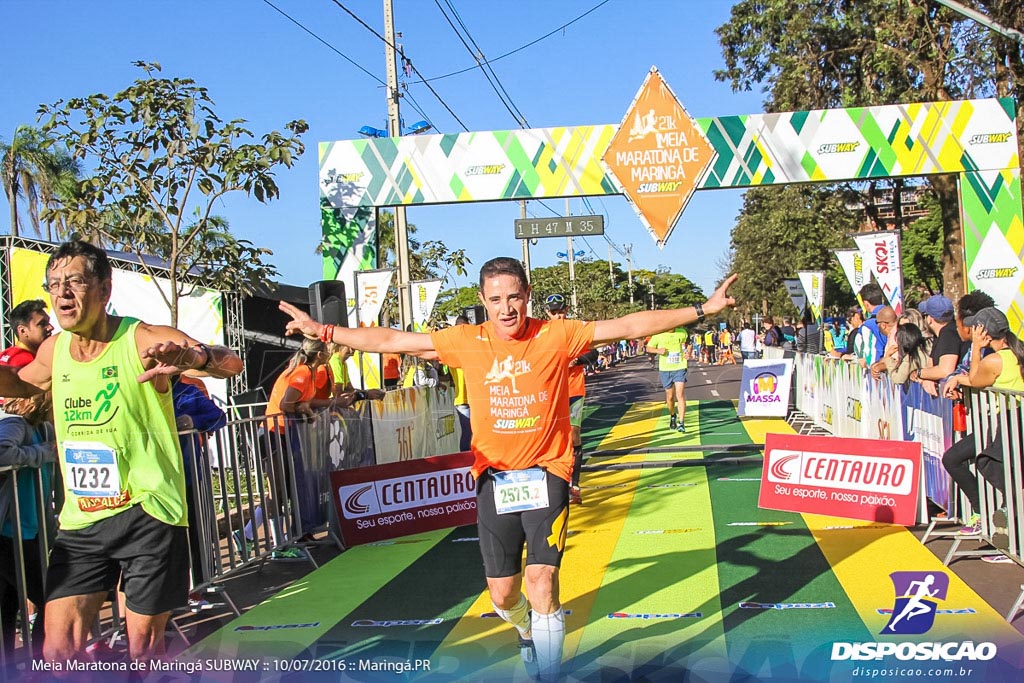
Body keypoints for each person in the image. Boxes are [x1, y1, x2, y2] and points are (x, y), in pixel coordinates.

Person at [280, 257, 738, 682]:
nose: (506, 308)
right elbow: (393, 340)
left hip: (549, 471)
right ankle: (524, 631)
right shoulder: (467, 341)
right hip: (493, 479)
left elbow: (628, 325)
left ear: (528, 295)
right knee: (503, 594)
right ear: (483, 301)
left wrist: (703, 308)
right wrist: (325, 331)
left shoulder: (556, 335)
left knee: (542, 580)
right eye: (495, 299)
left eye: (513, 297)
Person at [0, 240, 242, 665]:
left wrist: (193, 355)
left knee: (141, 654)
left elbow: (231, 363)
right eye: (54, 284)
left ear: (104, 289)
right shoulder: (54, 351)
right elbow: (22, 383)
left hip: (147, 512)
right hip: (83, 520)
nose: (62, 294)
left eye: (74, 281)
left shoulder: (141, 337)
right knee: (58, 654)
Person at [940, 307, 1024, 543]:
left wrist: (976, 348)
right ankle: (989, 515)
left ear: (984, 333)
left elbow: (977, 379)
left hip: (1007, 426)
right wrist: (957, 378)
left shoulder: (994, 359)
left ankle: (999, 527)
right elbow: (979, 379)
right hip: (1008, 424)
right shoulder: (1016, 353)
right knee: (1003, 474)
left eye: (975, 329)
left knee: (964, 461)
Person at [0, 388, 55, 663]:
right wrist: (42, 453)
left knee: (8, 603)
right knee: (51, 600)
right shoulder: (15, 424)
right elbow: (1, 453)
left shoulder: (43, 429)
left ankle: (12, 667)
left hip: (29, 530)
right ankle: (42, 664)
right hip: (9, 532)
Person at [544, 294, 598, 505]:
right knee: (552, 439)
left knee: (574, 436)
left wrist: (575, 360)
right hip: (548, 394)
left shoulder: (575, 329)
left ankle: (574, 485)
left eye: (561, 311)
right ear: (548, 312)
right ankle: (555, 484)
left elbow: (593, 354)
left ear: (566, 310)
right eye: (553, 312)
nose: (558, 315)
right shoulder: (542, 332)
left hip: (574, 391)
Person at [915, 294, 964, 396]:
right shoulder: (940, 335)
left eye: (924, 316)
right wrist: (927, 377)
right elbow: (931, 363)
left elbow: (945, 370)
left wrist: (917, 373)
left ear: (929, 319)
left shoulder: (948, 333)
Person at [647, 326, 690, 433]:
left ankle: (681, 422)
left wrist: (688, 352)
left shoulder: (682, 332)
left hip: (680, 367)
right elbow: (648, 348)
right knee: (670, 397)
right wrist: (658, 350)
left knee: (680, 394)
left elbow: (688, 343)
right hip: (665, 369)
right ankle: (672, 415)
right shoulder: (658, 334)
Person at [0, 299, 53, 368]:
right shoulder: (28, 363)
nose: (51, 327)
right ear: (23, 331)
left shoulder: (5, 354)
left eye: (48, 322)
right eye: (42, 324)